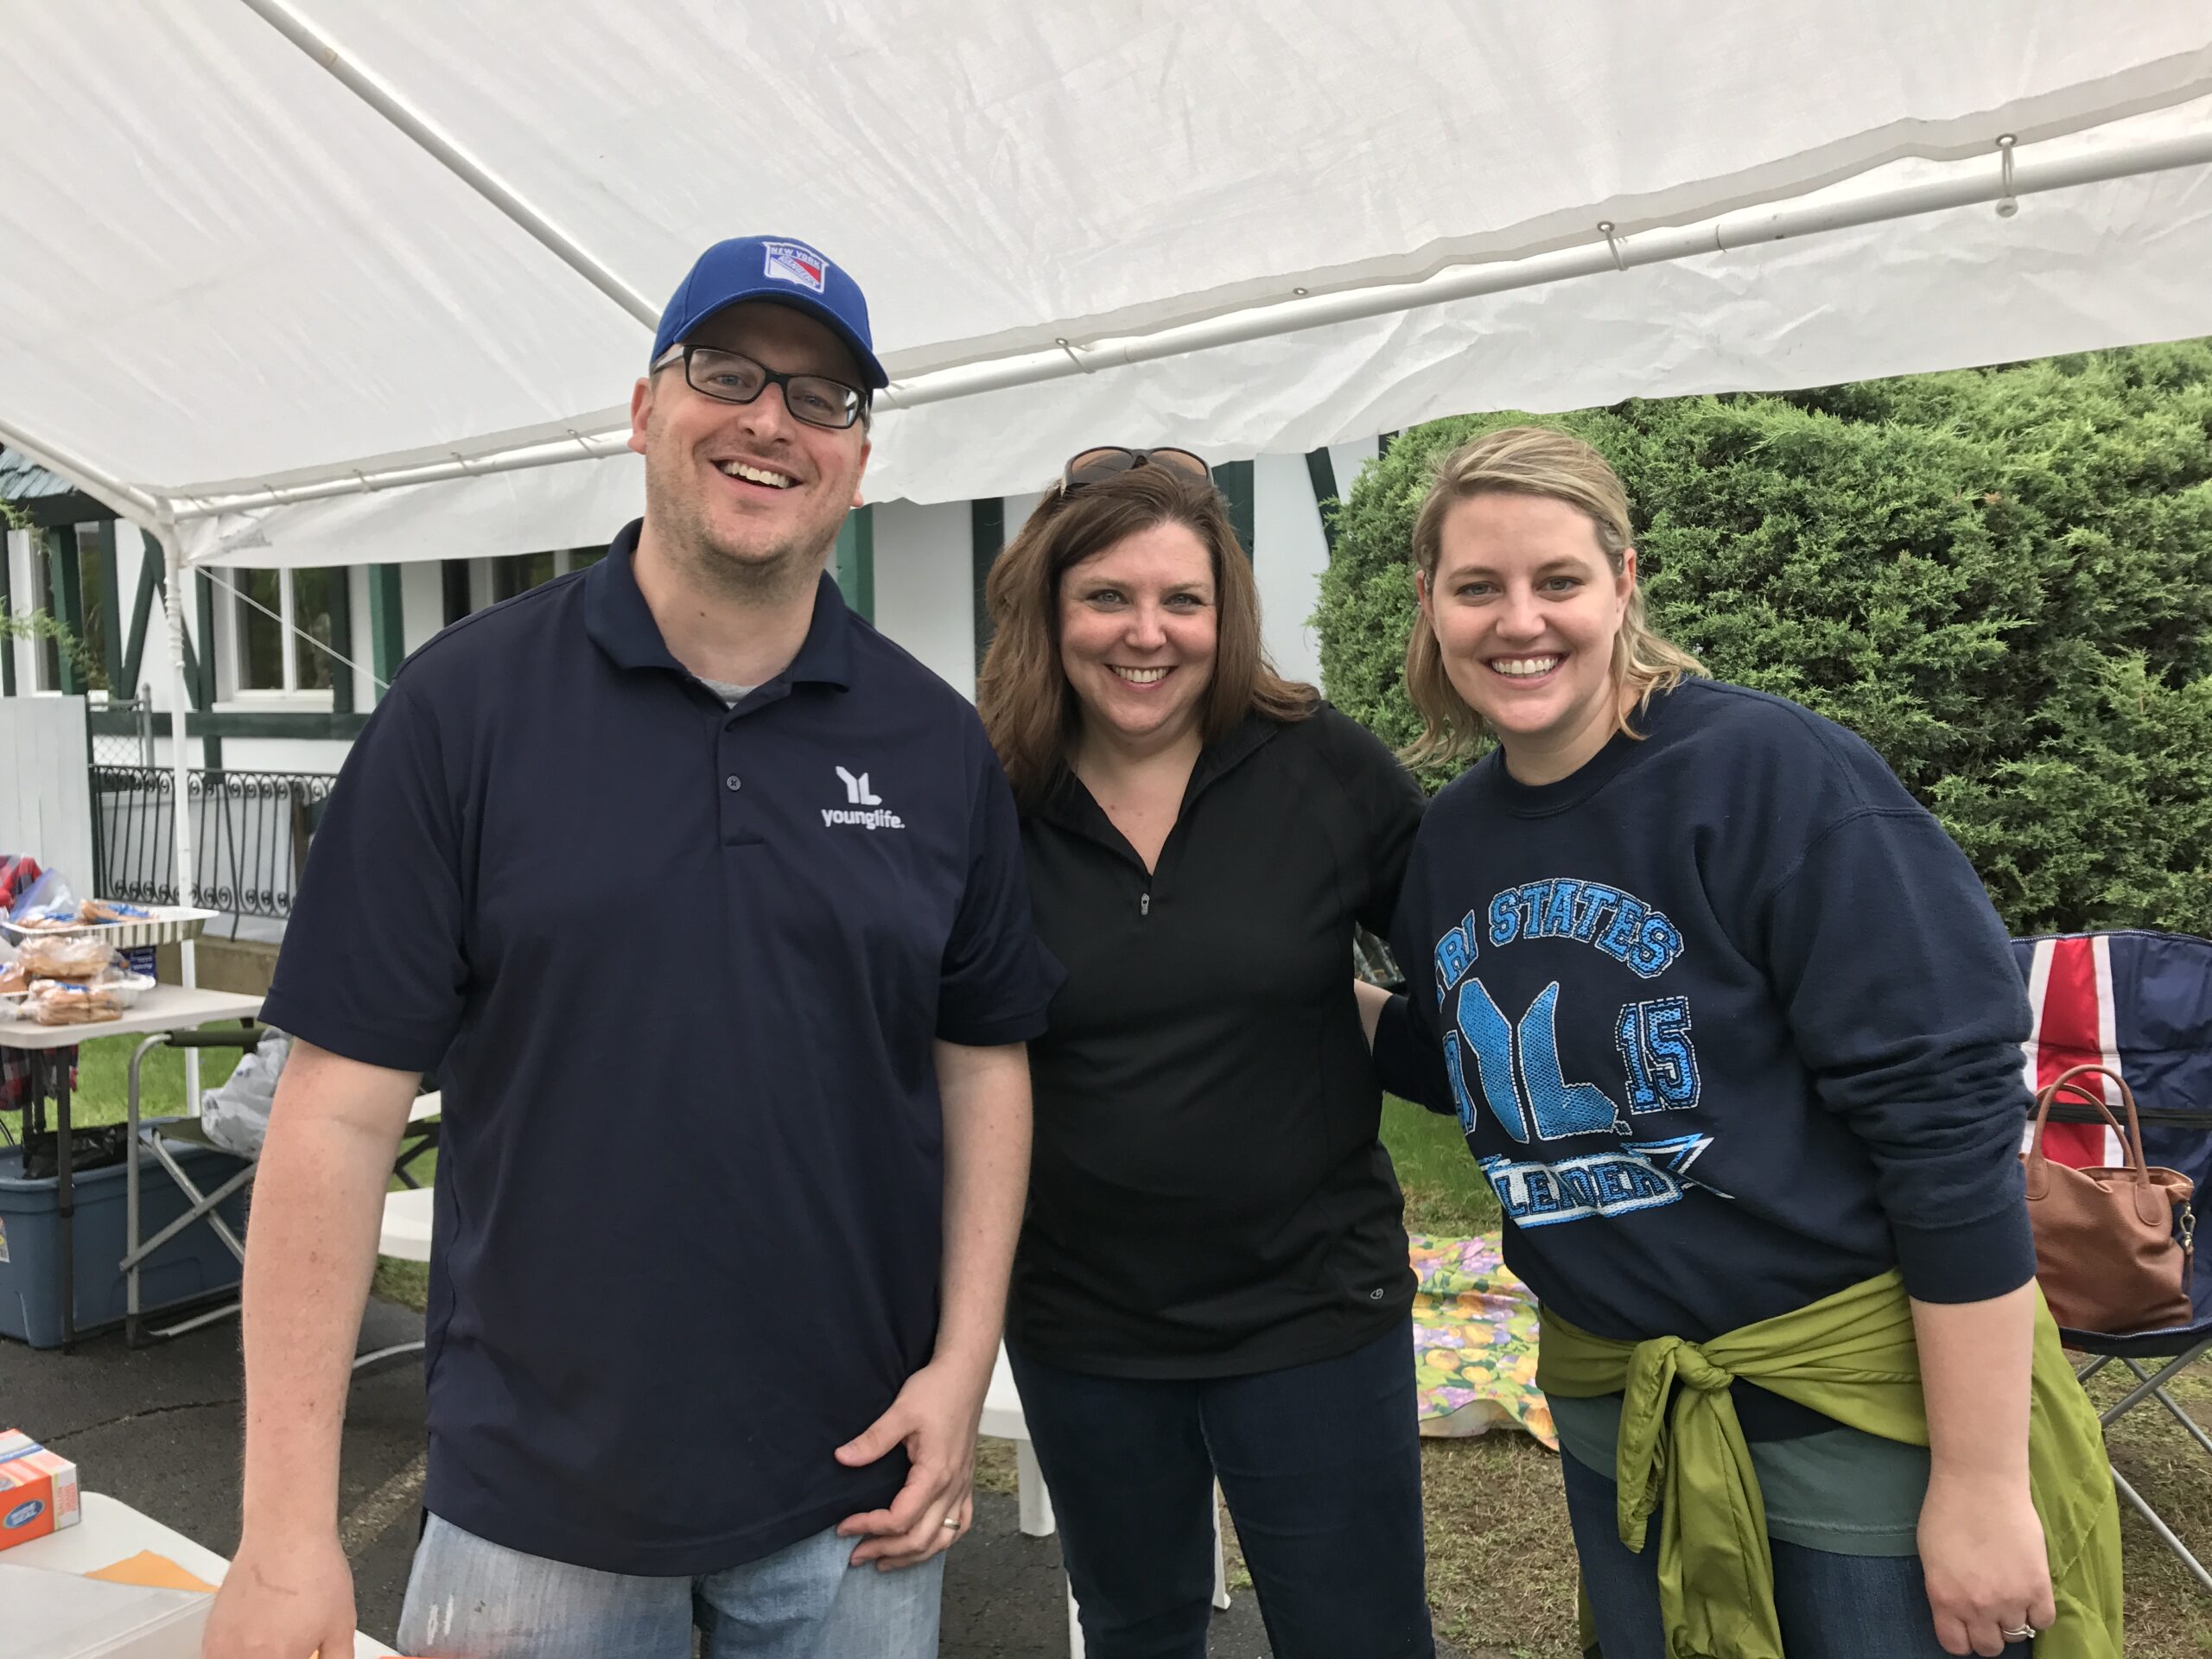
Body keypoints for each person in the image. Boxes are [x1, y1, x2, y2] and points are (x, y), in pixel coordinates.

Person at [202, 235, 1062, 1659]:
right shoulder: (461, 713)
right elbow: (336, 1120)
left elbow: (983, 1067)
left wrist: (963, 1371)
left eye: (823, 396)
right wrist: (287, 1535)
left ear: (857, 456)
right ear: (644, 409)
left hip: (853, 1503)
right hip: (535, 1519)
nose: (772, 420)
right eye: (728, 373)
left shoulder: (932, 742)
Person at [1364, 424, 2122, 1659]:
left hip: (1848, 1405)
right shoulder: (1453, 840)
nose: (1520, 621)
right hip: (1617, 1406)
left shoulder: (1767, 775)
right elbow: (1493, 1074)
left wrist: (1981, 1484)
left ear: (1622, 580)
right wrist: (1255, 992)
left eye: (1557, 579)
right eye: (1478, 587)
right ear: (1430, 605)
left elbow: (1947, 1121)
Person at [976, 448, 1436, 1659]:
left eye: (1184, 600)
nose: (1148, 634)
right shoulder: (987, 798)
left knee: (1361, 1637)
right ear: (1049, 609)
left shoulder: (1321, 765)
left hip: (1313, 1310)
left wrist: (1367, 1013)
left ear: (1225, 615)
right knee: (1138, 1631)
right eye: (1108, 598)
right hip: (1084, 1326)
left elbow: (1474, 973)